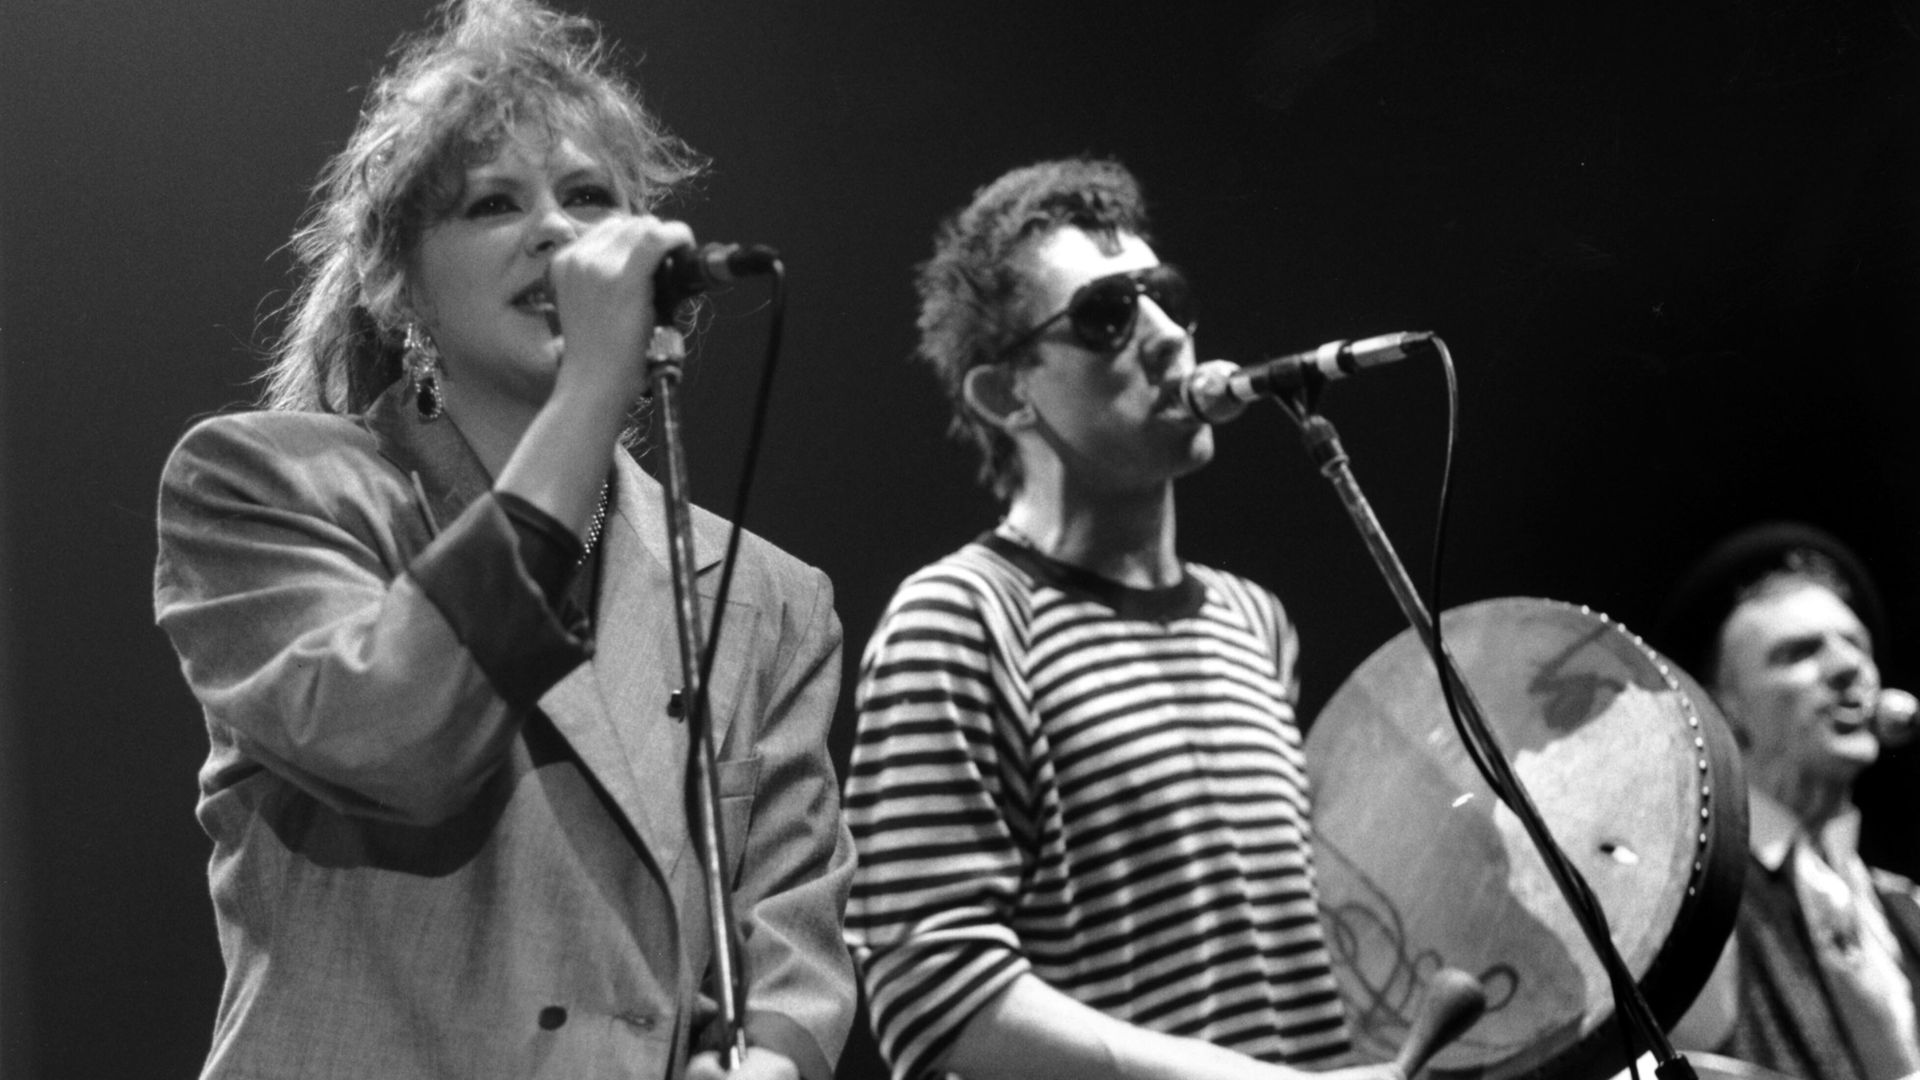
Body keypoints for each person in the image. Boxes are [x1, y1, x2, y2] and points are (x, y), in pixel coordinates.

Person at [151, 2, 854, 1077]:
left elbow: (792, 930)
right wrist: (590, 396)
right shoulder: (267, 485)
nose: (557, 234)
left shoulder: (769, 593)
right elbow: (398, 742)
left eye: (588, 198)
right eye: (492, 204)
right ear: (397, 287)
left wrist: (773, 1061)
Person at [841, 158, 1406, 1080]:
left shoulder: (1251, 620)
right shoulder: (960, 620)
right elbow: (932, 997)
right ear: (1004, 392)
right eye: (1107, 315)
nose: (1166, 336)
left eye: (1166, 297)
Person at [1659, 523, 1920, 1080]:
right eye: (1799, 652)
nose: (1850, 667)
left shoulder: (1907, 910)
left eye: (1856, 643)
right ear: (1723, 707)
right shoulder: (1687, 907)